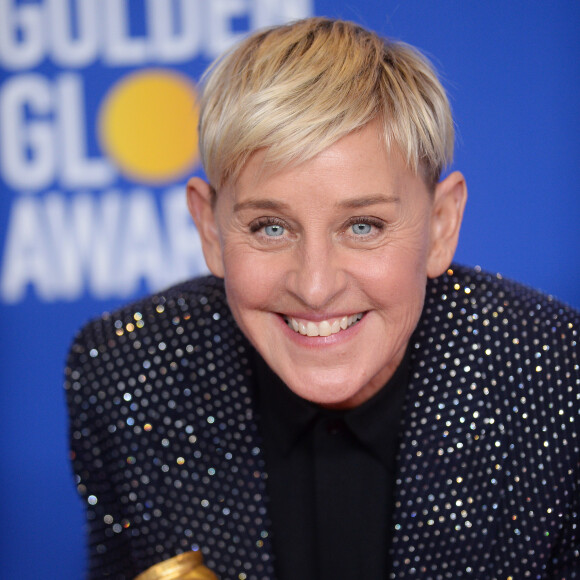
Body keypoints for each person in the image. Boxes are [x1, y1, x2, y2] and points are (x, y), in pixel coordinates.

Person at [65, 17, 579, 580]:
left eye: (363, 226)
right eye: (268, 227)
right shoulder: (127, 374)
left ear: (440, 224)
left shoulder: (555, 378)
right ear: (209, 230)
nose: (314, 286)